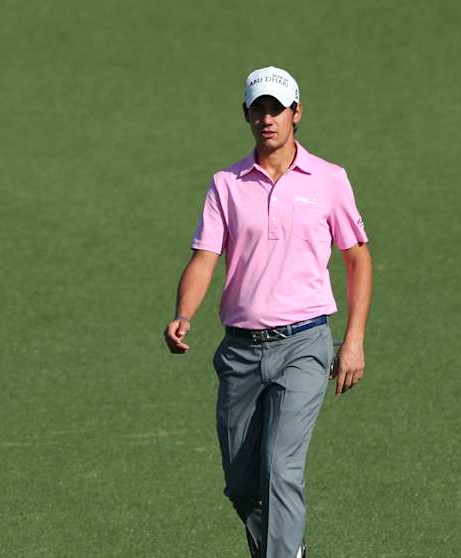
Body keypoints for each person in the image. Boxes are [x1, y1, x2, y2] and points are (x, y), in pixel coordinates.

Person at [163, 66, 372, 558]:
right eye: (258, 109)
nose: (268, 118)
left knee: (281, 467)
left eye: (277, 108)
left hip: (304, 343)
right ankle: (287, 548)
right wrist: (184, 313)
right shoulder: (226, 184)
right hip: (239, 352)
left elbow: (357, 256)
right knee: (241, 483)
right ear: (246, 115)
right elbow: (205, 256)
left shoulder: (328, 179)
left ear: (296, 113)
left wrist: (354, 339)